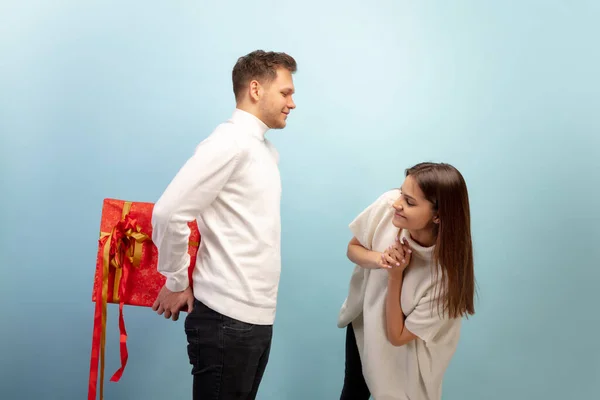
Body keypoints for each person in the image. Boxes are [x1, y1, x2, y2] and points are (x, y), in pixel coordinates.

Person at [150, 49, 297, 399]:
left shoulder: (263, 150)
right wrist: (175, 279)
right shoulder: (229, 143)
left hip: (255, 318)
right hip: (226, 320)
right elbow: (169, 212)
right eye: (286, 92)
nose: (292, 103)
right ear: (256, 89)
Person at [337, 162, 476, 400]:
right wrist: (382, 259)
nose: (397, 204)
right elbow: (353, 250)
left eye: (410, 202)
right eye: (402, 193)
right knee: (353, 391)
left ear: (438, 216)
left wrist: (395, 275)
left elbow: (398, 336)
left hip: (410, 353)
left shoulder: (446, 280)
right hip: (365, 321)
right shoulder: (389, 207)